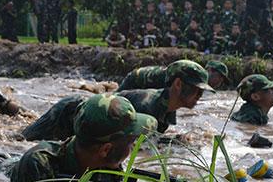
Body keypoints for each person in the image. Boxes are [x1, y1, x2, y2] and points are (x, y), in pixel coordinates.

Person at [21, 60, 214, 140]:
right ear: (178, 84)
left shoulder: (168, 113)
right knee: (23, 139)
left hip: (90, 124)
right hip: (69, 112)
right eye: (196, 90)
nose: (199, 96)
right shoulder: (147, 105)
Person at [10, 94, 157, 182]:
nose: (134, 148)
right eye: (132, 142)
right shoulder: (39, 164)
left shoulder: (108, 167)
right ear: (106, 149)